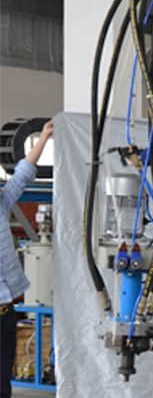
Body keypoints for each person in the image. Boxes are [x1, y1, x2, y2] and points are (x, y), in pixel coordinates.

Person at [0, 120, 52, 398]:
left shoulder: (2, 203)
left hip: (5, 314)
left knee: (2, 383)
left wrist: (43, 137)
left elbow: (23, 174)